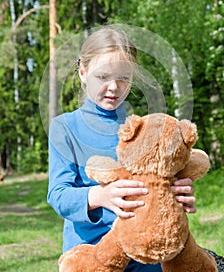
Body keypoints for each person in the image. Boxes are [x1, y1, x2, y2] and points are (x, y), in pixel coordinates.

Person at [47, 26, 196, 271]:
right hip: (91, 253)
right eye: (103, 77)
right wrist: (100, 196)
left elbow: (158, 181)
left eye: (124, 77)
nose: (114, 86)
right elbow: (58, 194)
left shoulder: (142, 128)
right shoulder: (65, 127)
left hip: (144, 255)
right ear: (83, 73)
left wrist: (178, 192)